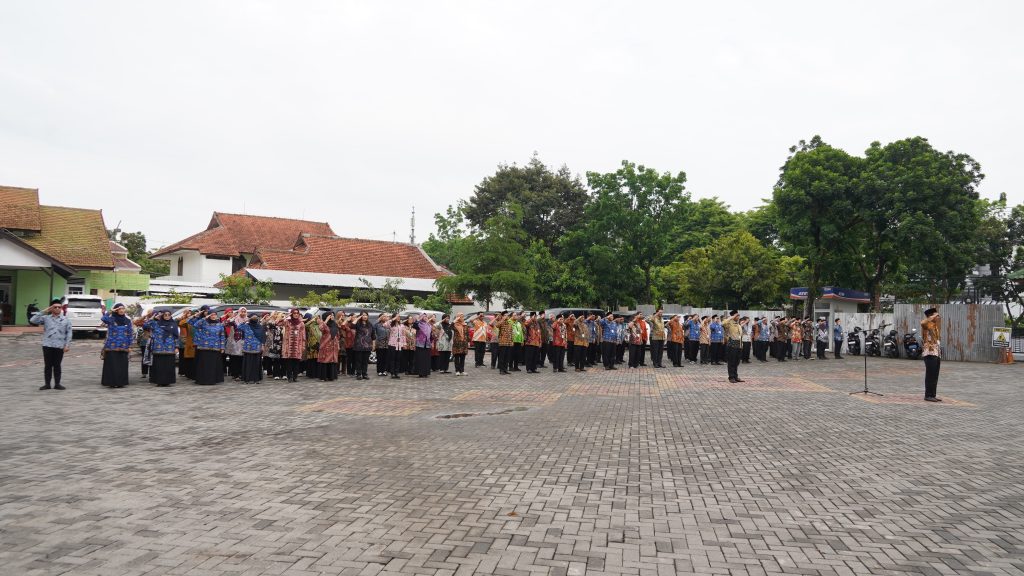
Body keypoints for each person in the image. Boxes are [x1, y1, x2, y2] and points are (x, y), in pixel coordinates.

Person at [29, 299, 72, 390]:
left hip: (59, 345)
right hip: (47, 345)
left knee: (57, 365)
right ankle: (47, 384)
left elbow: (69, 333)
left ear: (61, 309)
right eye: (55, 307)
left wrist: (67, 345)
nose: (57, 309)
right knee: (48, 365)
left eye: (59, 307)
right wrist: (44, 311)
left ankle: (57, 384)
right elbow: (32, 320)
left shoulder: (66, 320)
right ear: (51, 308)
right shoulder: (46, 318)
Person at [140, 309, 179, 386]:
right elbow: (145, 326)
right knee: (158, 366)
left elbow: (176, 336)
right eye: (165, 315)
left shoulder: (173, 324)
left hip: (170, 348)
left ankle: (168, 381)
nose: (167, 316)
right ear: (162, 315)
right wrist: (153, 318)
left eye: (169, 315)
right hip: (158, 348)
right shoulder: (155, 323)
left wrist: (176, 347)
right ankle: (158, 381)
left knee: (169, 365)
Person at [100, 303, 133, 388]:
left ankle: (121, 382)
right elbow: (103, 318)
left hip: (124, 346)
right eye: (119, 309)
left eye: (123, 308)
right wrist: (111, 311)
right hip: (112, 346)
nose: (122, 310)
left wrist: (129, 346)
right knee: (112, 364)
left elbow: (130, 333)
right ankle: (111, 382)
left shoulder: (127, 320)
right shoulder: (111, 319)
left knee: (122, 365)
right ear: (116, 310)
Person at [191, 309, 226, 385]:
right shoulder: (204, 323)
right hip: (204, 347)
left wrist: (222, 347)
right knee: (204, 365)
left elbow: (222, 336)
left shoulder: (219, 324)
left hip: (215, 347)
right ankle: (203, 380)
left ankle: (212, 380)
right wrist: (205, 318)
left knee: (213, 365)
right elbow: (195, 325)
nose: (213, 316)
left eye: (214, 315)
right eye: (211, 315)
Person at [237, 313, 267, 383]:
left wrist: (262, 345)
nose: (255, 319)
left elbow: (263, 337)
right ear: (249, 318)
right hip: (248, 348)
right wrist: (246, 320)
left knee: (256, 364)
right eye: (253, 317)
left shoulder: (260, 327)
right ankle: (247, 379)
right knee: (248, 364)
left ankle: (256, 379)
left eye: (256, 317)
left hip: (257, 347)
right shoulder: (246, 326)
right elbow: (238, 327)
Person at [279, 309, 307, 382]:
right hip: (288, 345)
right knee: (289, 362)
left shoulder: (301, 323)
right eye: (294, 313)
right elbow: (278, 323)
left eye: (297, 313)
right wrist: (286, 317)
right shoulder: (288, 322)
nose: (296, 314)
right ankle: (289, 377)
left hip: (298, 345)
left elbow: (303, 335)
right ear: (292, 314)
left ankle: (295, 377)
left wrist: (303, 345)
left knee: (296, 362)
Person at [921, 308, 942, 402]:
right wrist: (932, 316)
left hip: (936, 352)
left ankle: (933, 394)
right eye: (936, 316)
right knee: (930, 375)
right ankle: (928, 395)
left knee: (935, 375)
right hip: (929, 353)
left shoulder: (934, 325)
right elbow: (923, 322)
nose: (938, 317)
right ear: (931, 316)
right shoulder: (927, 324)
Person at [315, 312, 340, 381]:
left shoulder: (335, 324)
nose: (332, 316)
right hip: (325, 345)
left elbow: (337, 335)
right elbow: (320, 328)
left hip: (334, 346)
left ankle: (331, 376)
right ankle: (323, 377)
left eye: (332, 315)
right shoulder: (324, 324)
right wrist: (326, 320)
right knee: (324, 360)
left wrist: (338, 345)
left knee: (332, 361)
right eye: (330, 315)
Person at [723, 310, 744, 383]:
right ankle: (731, 377)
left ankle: (735, 376)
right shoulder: (729, 323)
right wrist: (731, 317)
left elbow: (740, 336)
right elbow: (723, 323)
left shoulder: (738, 325)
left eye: (738, 315)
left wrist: (741, 345)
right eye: (736, 315)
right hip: (731, 345)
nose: (738, 317)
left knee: (736, 362)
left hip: (738, 345)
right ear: (733, 316)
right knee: (731, 362)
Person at [353, 312, 373, 380]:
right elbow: (352, 325)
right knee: (359, 360)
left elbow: (373, 335)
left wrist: (373, 344)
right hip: (359, 345)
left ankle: (364, 374)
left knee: (365, 361)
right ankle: (358, 374)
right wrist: (358, 318)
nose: (365, 316)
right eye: (363, 315)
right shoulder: (358, 324)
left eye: (366, 315)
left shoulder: (370, 324)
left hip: (367, 345)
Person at [179, 310, 197, 379]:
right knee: (186, 357)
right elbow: (181, 326)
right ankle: (185, 372)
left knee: (193, 358)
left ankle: (192, 373)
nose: (189, 314)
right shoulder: (184, 321)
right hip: (186, 341)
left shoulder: (196, 322)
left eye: (190, 313)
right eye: (188, 313)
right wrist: (184, 340)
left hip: (194, 342)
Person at [414, 313, 433, 378]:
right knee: (420, 359)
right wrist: (418, 320)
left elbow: (430, 335)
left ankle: (426, 372)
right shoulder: (419, 324)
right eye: (424, 316)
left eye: (426, 316)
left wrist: (431, 342)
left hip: (427, 344)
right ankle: (420, 372)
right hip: (420, 343)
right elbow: (415, 326)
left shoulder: (429, 325)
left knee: (426, 359)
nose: (425, 318)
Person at [387, 315, 406, 379]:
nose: (398, 318)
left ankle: (396, 372)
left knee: (398, 359)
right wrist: (393, 319)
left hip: (399, 344)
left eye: (399, 317)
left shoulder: (402, 326)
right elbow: (385, 324)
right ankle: (392, 373)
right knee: (392, 359)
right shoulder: (391, 325)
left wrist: (404, 343)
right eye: (397, 317)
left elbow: (403, 335)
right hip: (392, 344)